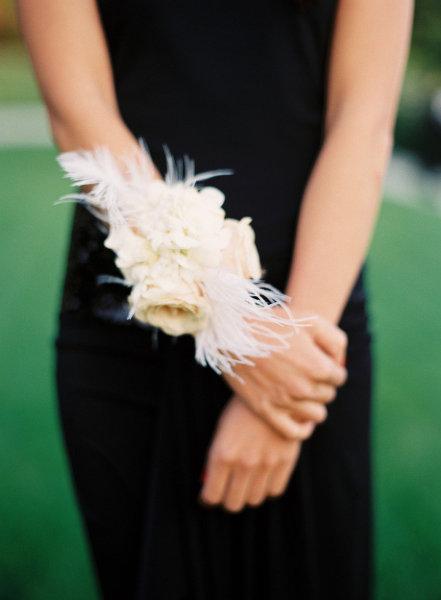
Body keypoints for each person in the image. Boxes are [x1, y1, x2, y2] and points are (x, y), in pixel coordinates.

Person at [18, 0, 413, 598]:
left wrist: (281, 356)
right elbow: (79, 113)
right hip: (129, 322)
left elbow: (364, 119)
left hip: (312, 316)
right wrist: (234, 330)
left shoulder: (299, 343)